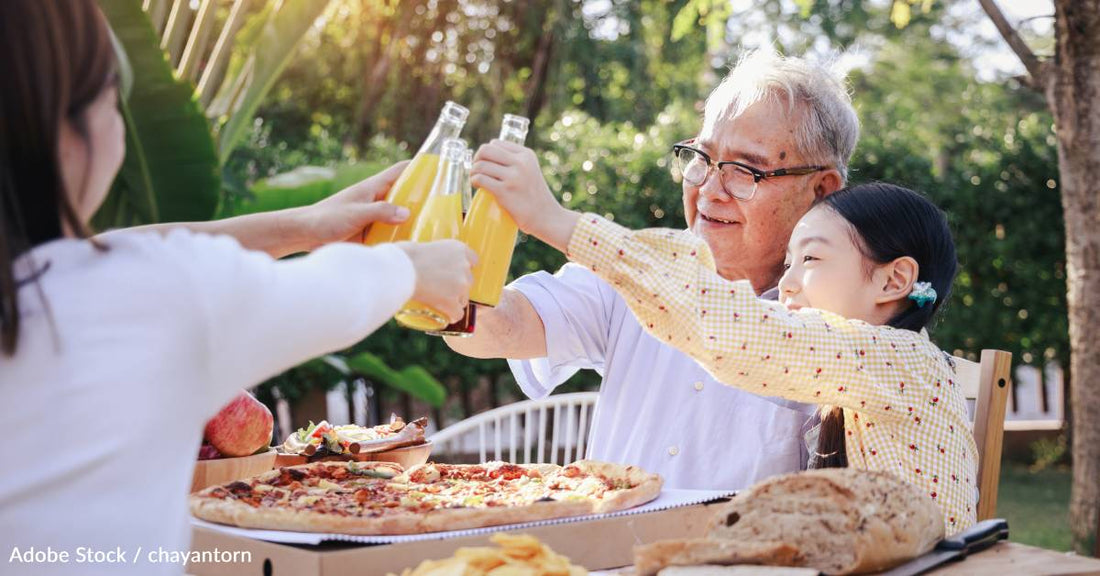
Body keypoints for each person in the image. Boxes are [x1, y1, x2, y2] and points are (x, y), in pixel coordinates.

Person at [0, 2, 474, 574]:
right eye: (109, 98)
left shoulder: (57, 285)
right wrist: (413, 269)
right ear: (60, 129)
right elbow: (322, 294)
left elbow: (122, 251)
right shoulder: (146, 298)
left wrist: (303, 225)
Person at [469, 137, 977, 533]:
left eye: (812, 258)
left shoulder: (897, 360)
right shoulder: (858, 376)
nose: (788, 283)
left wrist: (556, 222)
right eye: (790, 262)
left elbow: (730, 332)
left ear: (894, 279)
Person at [446, 51, 859, 489]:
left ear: (820, 190)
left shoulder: (845, 324)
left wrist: (549, 217)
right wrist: (438, 272)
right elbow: (500, 327)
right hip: (609, 532)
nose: (709, 189)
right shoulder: (636, 272)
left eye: (745, 170)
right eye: (702, 157)